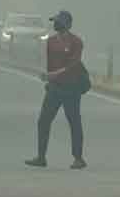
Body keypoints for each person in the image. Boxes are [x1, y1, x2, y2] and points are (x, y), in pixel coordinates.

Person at [26, 10, 89, 170]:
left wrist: (52, 75)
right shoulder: (51, 42)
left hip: (71, 88)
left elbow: (73, 66)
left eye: (58, 22)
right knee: (43, 121)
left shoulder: (76, 42)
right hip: (54, 88)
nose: (55, 24)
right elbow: (49, 64)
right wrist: (48, 77)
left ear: (67, 24)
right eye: (55, 21)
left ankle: (78, 158)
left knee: (74, 122)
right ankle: (41, 157)